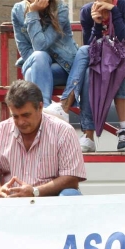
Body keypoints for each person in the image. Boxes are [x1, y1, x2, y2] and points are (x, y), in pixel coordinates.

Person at [0, 80, 86, 199]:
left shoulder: (63, 131)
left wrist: (35, 191)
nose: (21, 122)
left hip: (48, 200)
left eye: (26, 115)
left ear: (40, 107)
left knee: (70, 195)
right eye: (15, 116)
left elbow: (71, 178)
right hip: (9, 199)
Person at [46, 1, 125, 151]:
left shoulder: (122, 6)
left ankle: (65, 106)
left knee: (116, 69)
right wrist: (97, 24)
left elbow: (123, 39)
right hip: (102, 61)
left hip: (122, 60)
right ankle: (88, 137)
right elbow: (91, 47)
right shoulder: (87, 11)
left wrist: (114, 12)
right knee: (87, 63)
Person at [12, 0, 78, 107]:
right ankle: (45, 109)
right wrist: (40, 65)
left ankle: (41, 111)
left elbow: (40, 45)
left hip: (63, 67)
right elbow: (24, 49)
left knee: (31, 72)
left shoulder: (60, 8)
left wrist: (32, 13)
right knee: (39, 57)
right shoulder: (18, 10)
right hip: (36, 63)